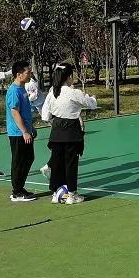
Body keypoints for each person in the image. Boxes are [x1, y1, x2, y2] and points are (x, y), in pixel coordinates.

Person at [40, 63, 97, 204]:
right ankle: (71, 194)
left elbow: (45, 116)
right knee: (71, 163)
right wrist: (93, 98)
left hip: (56, 131)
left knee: (57, 163)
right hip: (71, 131)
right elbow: (91, 104)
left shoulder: (53, 91)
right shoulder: (73, 92)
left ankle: (55, 193)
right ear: (69, 77)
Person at [6, 60, 37, 202]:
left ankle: (20, 187)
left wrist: (30, 129)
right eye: (27, 72)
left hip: (25, 131)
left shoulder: (22, 88)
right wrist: (24, 131)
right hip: (17, 133)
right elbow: (15, 112)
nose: (30, 73)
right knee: (19, 161)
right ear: (19, 74)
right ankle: (16, 192)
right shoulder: (13, 91)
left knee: (29, 158)